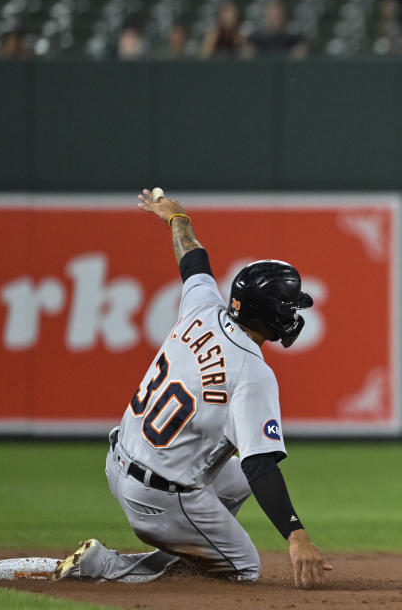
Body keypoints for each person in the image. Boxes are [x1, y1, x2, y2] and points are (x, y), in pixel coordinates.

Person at [52, 190, 332, 587]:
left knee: (233, 482)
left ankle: (190, 546)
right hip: (156, 498)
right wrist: (297, 537)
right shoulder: (252, 374)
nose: (294, 314)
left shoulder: (204, 306)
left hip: (119, 461)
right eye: (290, 307)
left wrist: (175, 216)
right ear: (272, 316)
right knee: (245, 569)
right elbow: (260, 464)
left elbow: (193, 257)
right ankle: (106, 566)